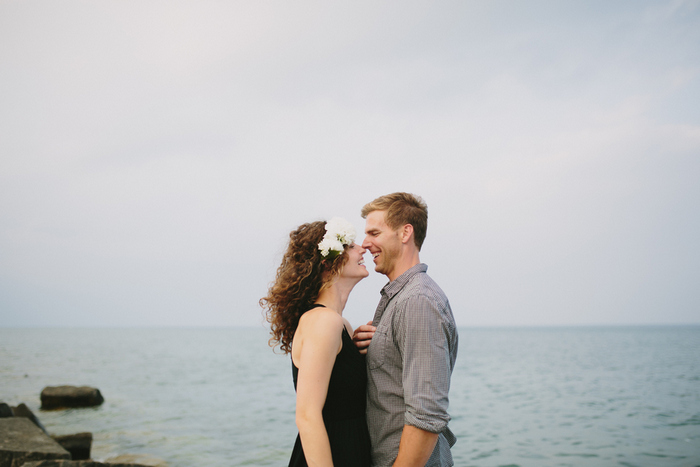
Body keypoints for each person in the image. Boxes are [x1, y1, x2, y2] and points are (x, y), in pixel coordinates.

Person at [352, 193, 459, 467]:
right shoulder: (402, 299)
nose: (365, 243)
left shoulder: (417, 301)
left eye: (374, 232)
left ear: (405, 233)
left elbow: (426, 417)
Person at [260, 217, 372, 467]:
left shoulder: (340, 324)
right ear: (328, 263)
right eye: (351, 245)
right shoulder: (324, 322)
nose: (362, 248)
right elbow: (307, 416)